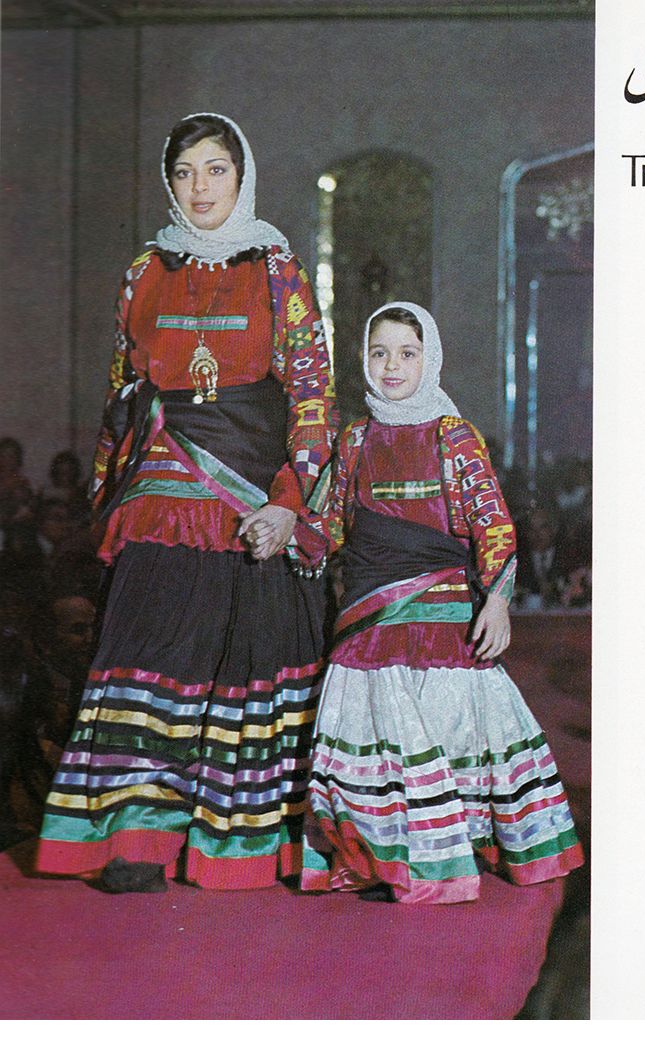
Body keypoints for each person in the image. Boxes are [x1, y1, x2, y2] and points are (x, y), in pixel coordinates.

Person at [35, 113, 336, 893]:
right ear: (168, 182)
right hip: (161, 491)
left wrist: (290, 505)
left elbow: (312, 396)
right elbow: (121, 395)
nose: (200, 188)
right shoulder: (144, 270)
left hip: (252, 497)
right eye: (184, 172)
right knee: (146, 655)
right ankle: (133, 839)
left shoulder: (278, 271)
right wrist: (107, 500)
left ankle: (233, 846)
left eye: (216, 170)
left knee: (241, 666)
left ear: (242, 176)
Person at [300, 302, 583, 903]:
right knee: (376, 742)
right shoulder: (355, 440)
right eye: (380, 353)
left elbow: (494, 523)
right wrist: (280, 529)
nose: (392, 365)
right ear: (364, 360)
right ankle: (381, 859)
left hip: (444, 617)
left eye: (407, 353)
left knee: (442, 739)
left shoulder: (454, 437)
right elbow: (328, 526)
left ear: (430, 359)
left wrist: (497, 602)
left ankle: (442, 860)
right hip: (368, 620)